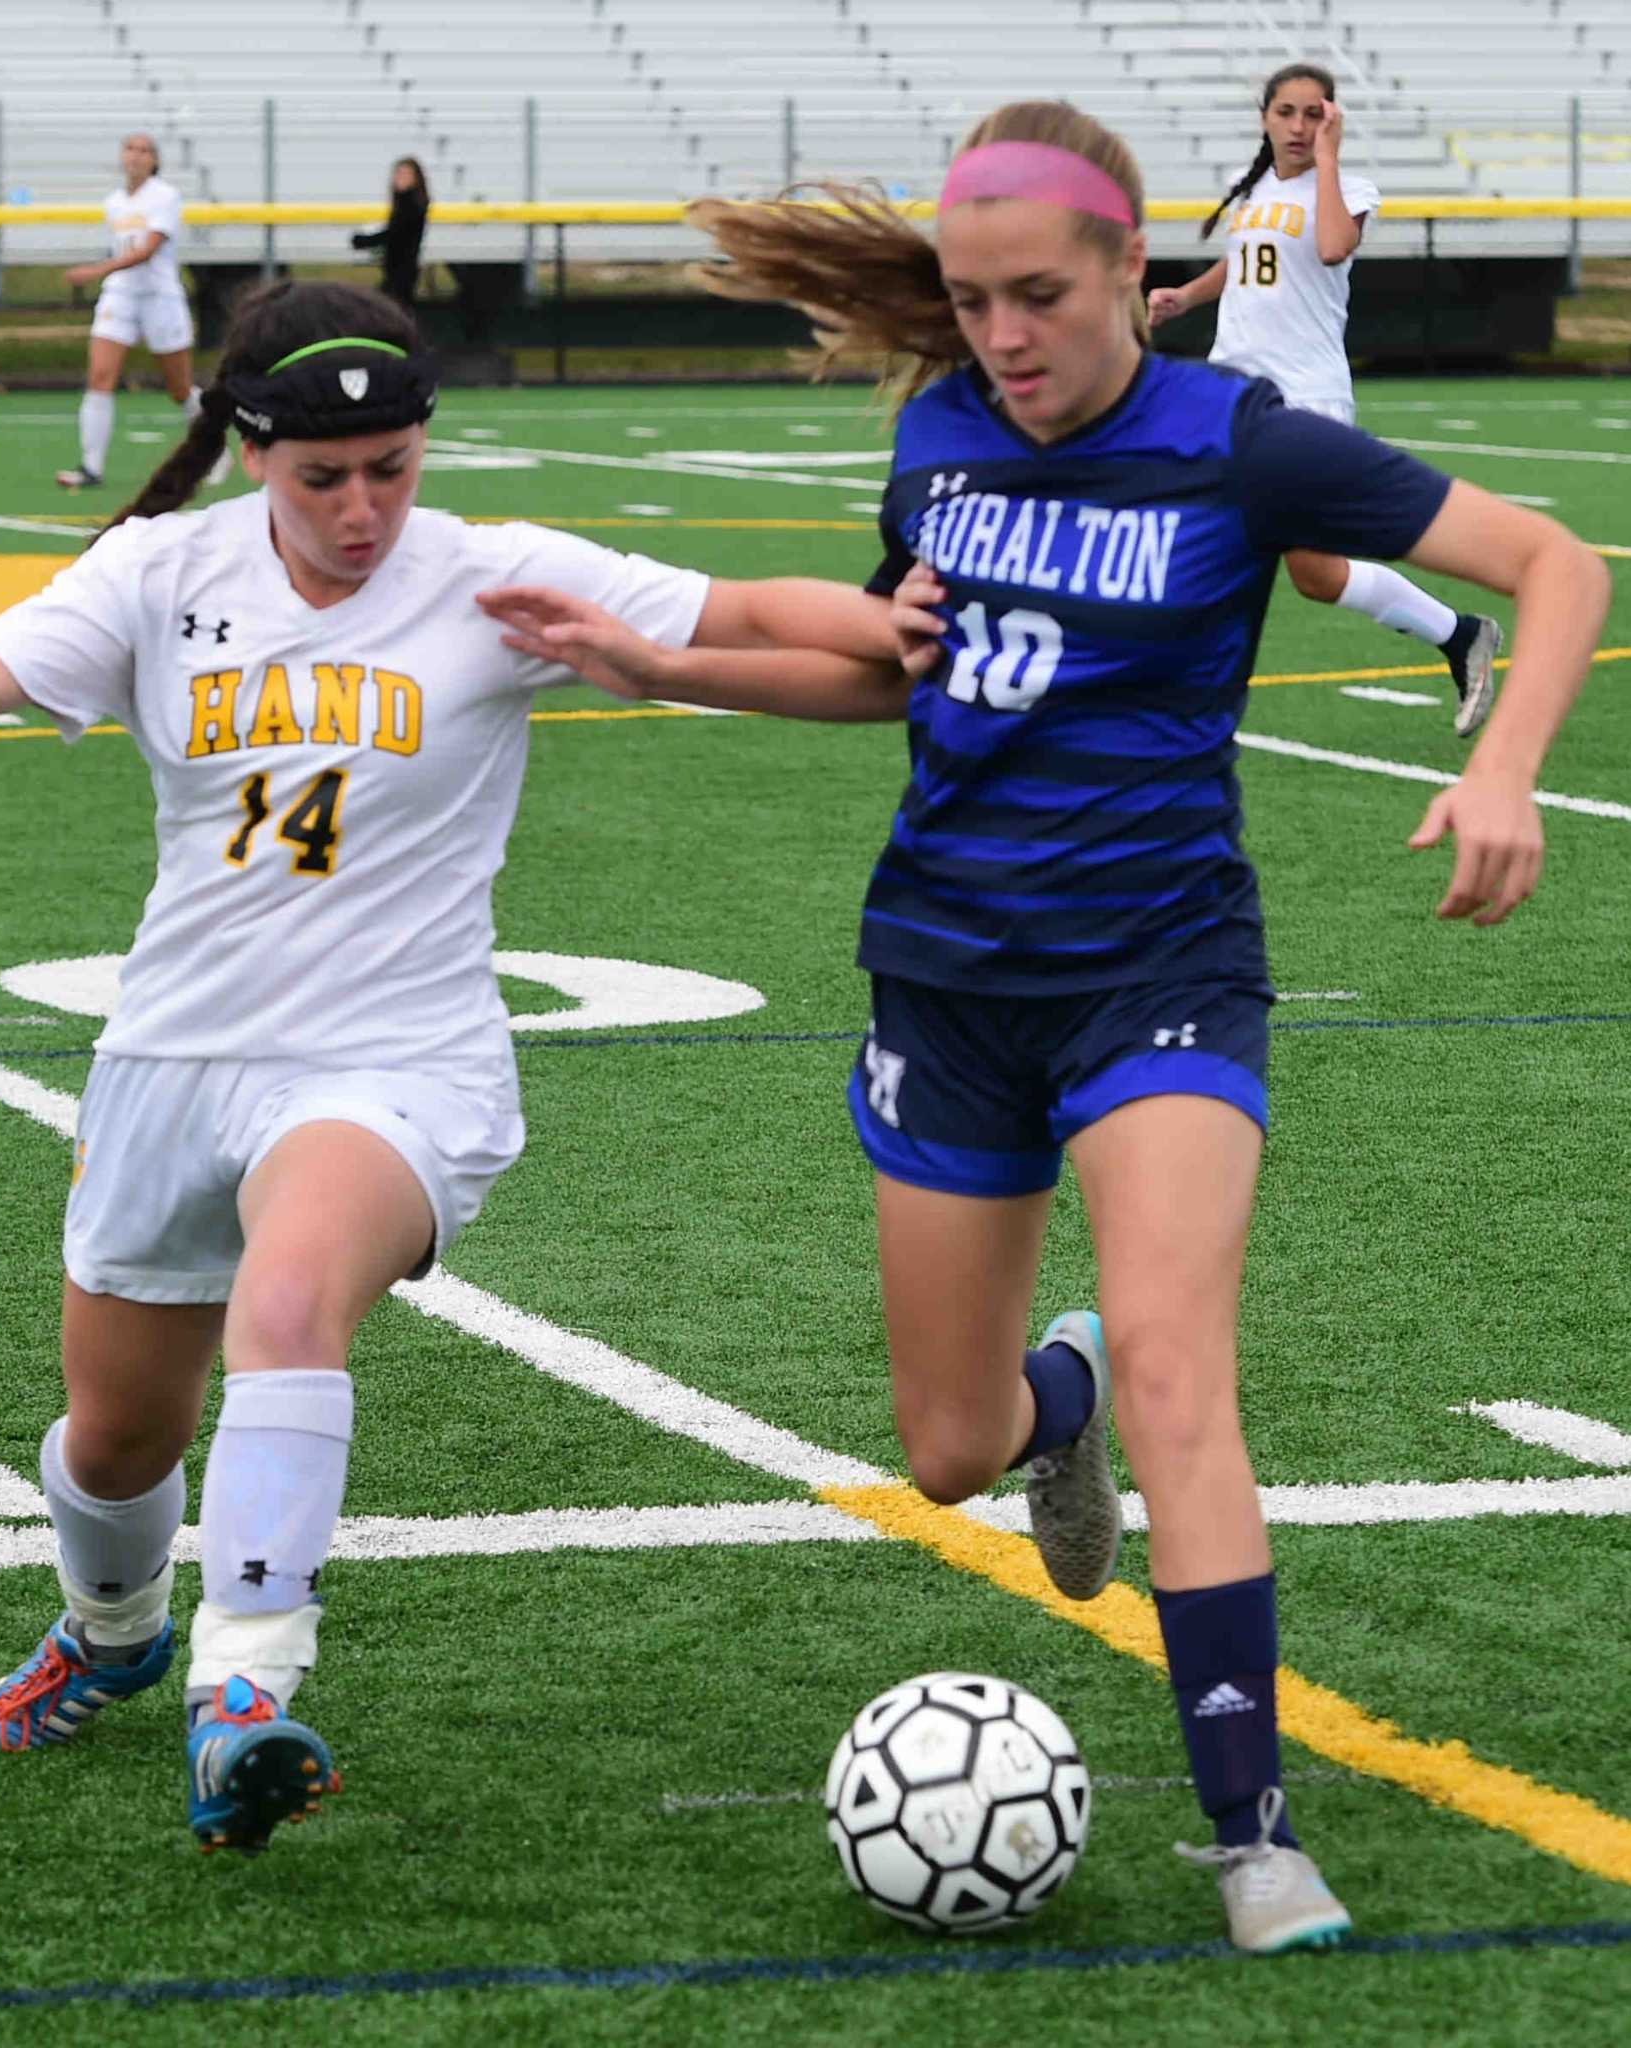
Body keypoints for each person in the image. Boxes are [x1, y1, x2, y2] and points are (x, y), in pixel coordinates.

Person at [477, 100, 1605, 1952]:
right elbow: (908, 683)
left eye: (1033, 297)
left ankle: (1251, 1835)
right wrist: (661, 664)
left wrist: (1502, 768)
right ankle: (1046, 1403)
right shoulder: (932, 441)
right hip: (943, 977)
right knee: (943, 1446)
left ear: (1127, 285)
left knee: (1189, 1375)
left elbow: (1556, 566)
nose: (999, 335)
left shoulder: (1238, 446)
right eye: (965, 298)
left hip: (1158, 966)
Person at [0, 280, 904, 1855]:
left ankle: (245, 1695)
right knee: (115, 1442)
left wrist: (902, 620)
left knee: (288, 1308)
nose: (362, 508)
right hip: (172, 1056)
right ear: (250, 448)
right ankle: (112, 1634)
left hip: (395, 1061)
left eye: (392, 468)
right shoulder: (158, 571)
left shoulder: (493, 574)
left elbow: (751, 613)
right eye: (322, 475)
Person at [1147, 66, 1500, 736]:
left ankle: (1458, 635)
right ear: (1265, 118)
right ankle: (1163, 682)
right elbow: (1246, 259)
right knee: (1184, 522)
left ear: (1331, 120)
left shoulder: (1347, 187)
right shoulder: (1254, 187)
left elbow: (1333, 246)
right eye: (1286, 112)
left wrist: (1331, 162)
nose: (1299, 127)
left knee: (1313, 573)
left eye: (1314, 114)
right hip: (1233, 391)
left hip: (1304, 398)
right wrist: (1186, 297)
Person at [57, 132, 227, 495]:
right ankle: (91, 467)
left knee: (179, 389)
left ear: (154, 160)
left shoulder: (164, 196)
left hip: (159, 298)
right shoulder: (114, 202)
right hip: (120, 296)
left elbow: (147, 251)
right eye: (130, 149)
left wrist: (96, 270)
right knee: (100, 378)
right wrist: (107, 277)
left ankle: (214, 449)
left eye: (144, 150)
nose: (135, 156)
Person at [350, 157, 430, 308]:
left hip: (402, 272)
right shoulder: (405, 202)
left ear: (416, 179)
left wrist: (364, 241)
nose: (400, 178)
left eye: (406, 175)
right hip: (398, 270)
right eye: (398, 174)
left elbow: (395, 234)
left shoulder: (412, 204)